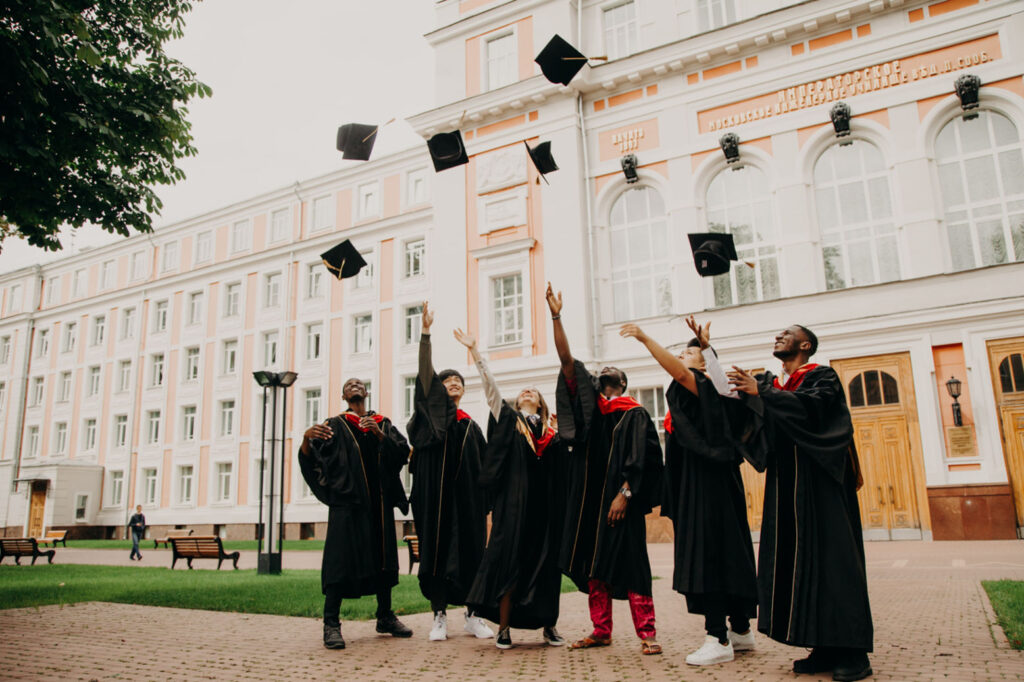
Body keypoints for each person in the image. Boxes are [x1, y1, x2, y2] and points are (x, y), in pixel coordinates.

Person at [728, 325, 873, 681]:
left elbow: (814, 409)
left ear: (805, 345)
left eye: (787, 334)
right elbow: (761, 422)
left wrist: (761, 392)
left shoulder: (822, 377)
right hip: (788, 488)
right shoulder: (774, 383)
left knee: (834, 564)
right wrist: (748, 392)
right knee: (802, 565)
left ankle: (854, 654)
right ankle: (822, 645)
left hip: (822, 486)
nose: (779, 336)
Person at [620, 317, 759, 666]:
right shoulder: (712, 393)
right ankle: (741, 630)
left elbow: (683, 374)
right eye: (680, 351)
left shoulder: (704, 385)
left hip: (707, 486)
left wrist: (644, 339)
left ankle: (718, 637)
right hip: (710, 484)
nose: (681, 357)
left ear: (703, 363)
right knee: (727, 552)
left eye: (687, 353)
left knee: (708, 555)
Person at [546, 283, 664, 656]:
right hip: (590, 507)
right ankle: (602, 630)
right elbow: (568, 363)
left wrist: (625, 495)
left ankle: (648, 634)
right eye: (601, 371)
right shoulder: (595, 415)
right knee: (595, 567)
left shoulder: (635, 413)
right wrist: (556, 316)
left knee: (633, 565)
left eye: (612, 370)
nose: (603, 370)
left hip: (621, 504)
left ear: (623, 382)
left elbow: (642, 464)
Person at [458, 327, 566, 650]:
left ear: (542, 403)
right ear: (518, 402)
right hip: (514, 508)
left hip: (544, 510)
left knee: (547, 568)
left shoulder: (552, 433)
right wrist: (477, 352)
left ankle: (549, 627)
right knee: (510, 566)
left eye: (534, 391)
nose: (528, 392)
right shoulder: (510, 421)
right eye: (524, 391)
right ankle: (504, 629)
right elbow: (491, 390)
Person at [299, 377, 414, 650]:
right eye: (349, 384)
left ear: (366, 392)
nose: (354, 386)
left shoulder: (382, 423)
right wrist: (305, 439)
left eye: (359, 384)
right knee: (340, 563)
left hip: (379, 506)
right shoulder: (333, 426)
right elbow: (312, 458)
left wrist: (378, 435)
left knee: (383, 560)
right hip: (348, 507)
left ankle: (385, 616)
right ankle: (331, 623)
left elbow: (403, 454)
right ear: (343, 396)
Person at [406, 302, 493, 641]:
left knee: (473, 556)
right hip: (435, 502)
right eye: (447, 380)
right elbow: (425, 374)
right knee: (438, 554)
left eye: (458, 380)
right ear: (437, 392)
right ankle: (439, 615)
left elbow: (486, 467)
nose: (454, 382)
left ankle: (472, 615)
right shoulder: (430, 421)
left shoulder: (471, 426)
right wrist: (426, 334)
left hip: (468, 506)